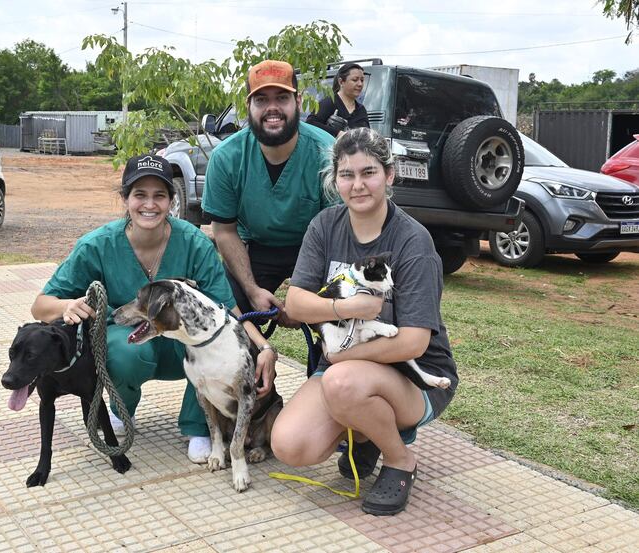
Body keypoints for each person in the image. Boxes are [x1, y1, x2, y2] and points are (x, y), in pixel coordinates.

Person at [30, 154, 277, 463]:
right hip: (132, 344)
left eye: (159, 195)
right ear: (125, 199)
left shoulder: (194, 243)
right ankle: (124, 409)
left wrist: (263, 346)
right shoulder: (97, 245)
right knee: (125, 352)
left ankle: (198, 424)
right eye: (140, 195)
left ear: (172, 200)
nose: (150, 204)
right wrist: (68, 305)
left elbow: (227, 311)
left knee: (212, 343)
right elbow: (40, 306)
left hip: (182, 349)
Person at [270, 128, 458, 516]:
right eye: (346, 174)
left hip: (414, 376)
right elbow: (296, 303)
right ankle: (366, 430)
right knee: (290, 446)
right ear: (335, 179)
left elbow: (414, 343)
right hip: (346, 369)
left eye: (368, 172)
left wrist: (340, 359)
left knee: (342, 382)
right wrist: (350, 308)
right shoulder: (325, 225)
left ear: (389, 175)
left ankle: (399, 458)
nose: (357, 185)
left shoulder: (413, 241)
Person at [202, 59, 335, 326]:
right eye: (261, 99)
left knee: (337, 314)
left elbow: (339, 234)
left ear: (298, 102)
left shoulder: (327, 152)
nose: (272, 108)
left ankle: (324, 367)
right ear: (248, 106)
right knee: (222, 306)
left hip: (316, 248)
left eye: (282, 97)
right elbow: (224, 231)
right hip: (254, 248)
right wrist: (251, 291)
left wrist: (307, 301)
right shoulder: (226, 157)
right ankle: (253, 360)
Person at [306, 62, 369, 137]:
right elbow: (310, 123)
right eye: (355, 80)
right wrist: (338, 133)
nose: (360, 84)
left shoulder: (361, 110)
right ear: (341, 82)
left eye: (362, 80)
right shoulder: (329, 103)